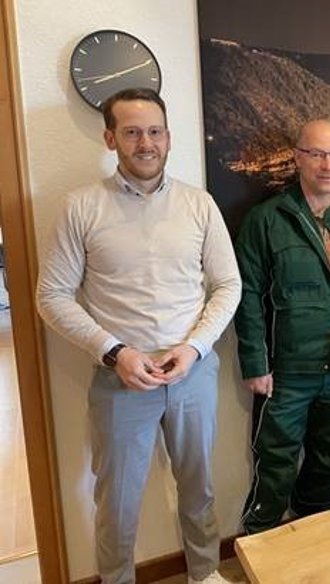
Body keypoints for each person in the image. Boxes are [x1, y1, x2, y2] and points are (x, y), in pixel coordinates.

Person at [36, 88, 240, 584]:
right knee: (118, 501)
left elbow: (228, 284)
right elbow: (51, 296)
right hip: (121, 378)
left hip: (191, 371)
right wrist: (115, 353)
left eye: (153, 131)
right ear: (111, 138)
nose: (144, 142)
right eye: (131, 132)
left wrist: (193, 347)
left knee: (199, 488)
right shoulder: (81, 207)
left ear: (168, 137)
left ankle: (205, 574)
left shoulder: (199, 204)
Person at [235, 119, 330, 534]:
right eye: (316, 154)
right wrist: (254, 362)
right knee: (275, 462)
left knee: (326, 459)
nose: (326, 164)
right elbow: (247, 296)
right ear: (298, 157)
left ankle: (314, 538)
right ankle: (259, 544)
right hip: (287, 370)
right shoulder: (265, 220)